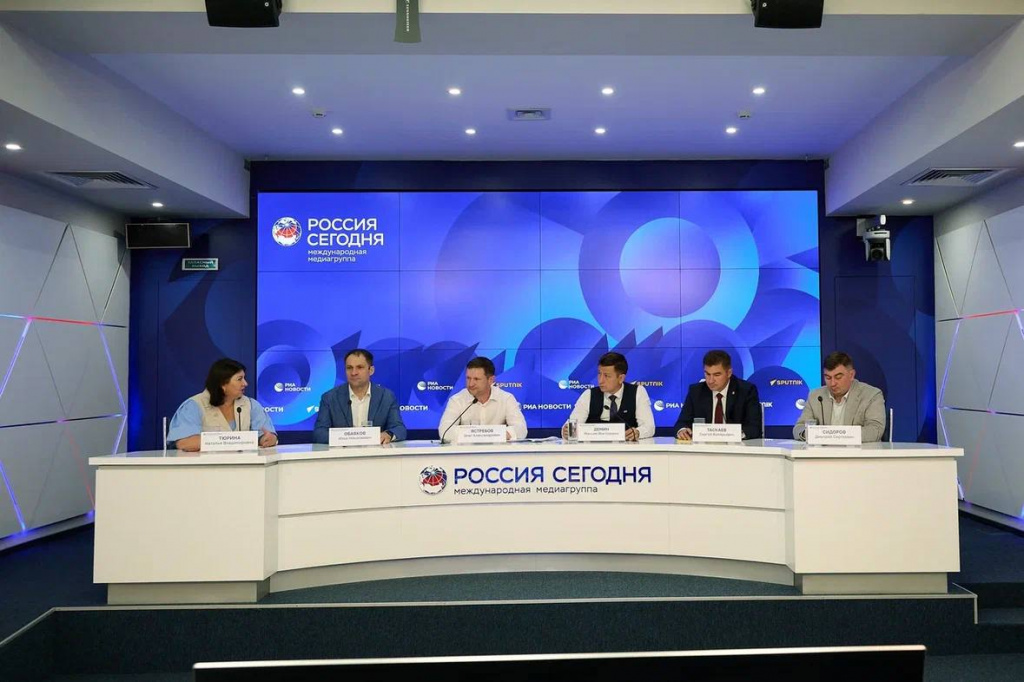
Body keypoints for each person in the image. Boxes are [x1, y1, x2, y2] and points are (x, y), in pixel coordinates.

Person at [166, 358, 277, 452]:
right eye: (239, 379)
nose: (245, 383)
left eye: (244, 378)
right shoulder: (193, 406)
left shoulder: (251, 405)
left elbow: (266, 435)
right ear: (222, 384)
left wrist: (268, 439)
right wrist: (229, 442)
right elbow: (185, 443)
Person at [313, 349, 407, 445]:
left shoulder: (386, 397)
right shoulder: (330, 398)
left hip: (375, 453)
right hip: (342, 452)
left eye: (360, 367)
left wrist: (388, 434)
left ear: (371, 370)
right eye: (349, 368)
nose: (354, 373)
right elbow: (319, 433)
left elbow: (399, 429)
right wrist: (346, 438)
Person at [793, 351, 886, 442]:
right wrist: (809, 434)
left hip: (857, 452)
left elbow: (875, 430)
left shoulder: (871, 395)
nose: (832, 383)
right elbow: (798, 428)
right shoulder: (815, 396)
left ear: (851, 375)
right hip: (823, 452)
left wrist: (836, 436)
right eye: (828, 378)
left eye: (838, 377)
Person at [563, 351, 655, 442]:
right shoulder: (589, 394)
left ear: (621, 378)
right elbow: (572, 425)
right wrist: (567, 432)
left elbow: (649, 427)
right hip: (594, 449)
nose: (600, 380)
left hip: (627, 448)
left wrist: (638, 432)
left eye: (607, 376)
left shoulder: (637, 392)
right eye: (599, 374)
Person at [674, 350, 762, 441]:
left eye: (717, 375)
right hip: (703, 447)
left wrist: (733, 435)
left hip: (736, 447)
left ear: (729, 373)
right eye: (707, 374)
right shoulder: (696, 391)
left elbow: (754, 428)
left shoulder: (746, 390)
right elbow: (681, 423)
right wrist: (682, 430)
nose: (710, 380)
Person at [438, 356, 528, 443]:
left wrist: (500, 434)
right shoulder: (457, 400)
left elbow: (521, 429)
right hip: (467, 452)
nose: (471, 384)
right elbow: (445, 431)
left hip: (498, 452)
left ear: (491, 380)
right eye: (468, 378)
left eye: (476, 379)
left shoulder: (506, 399)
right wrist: (481, 435)